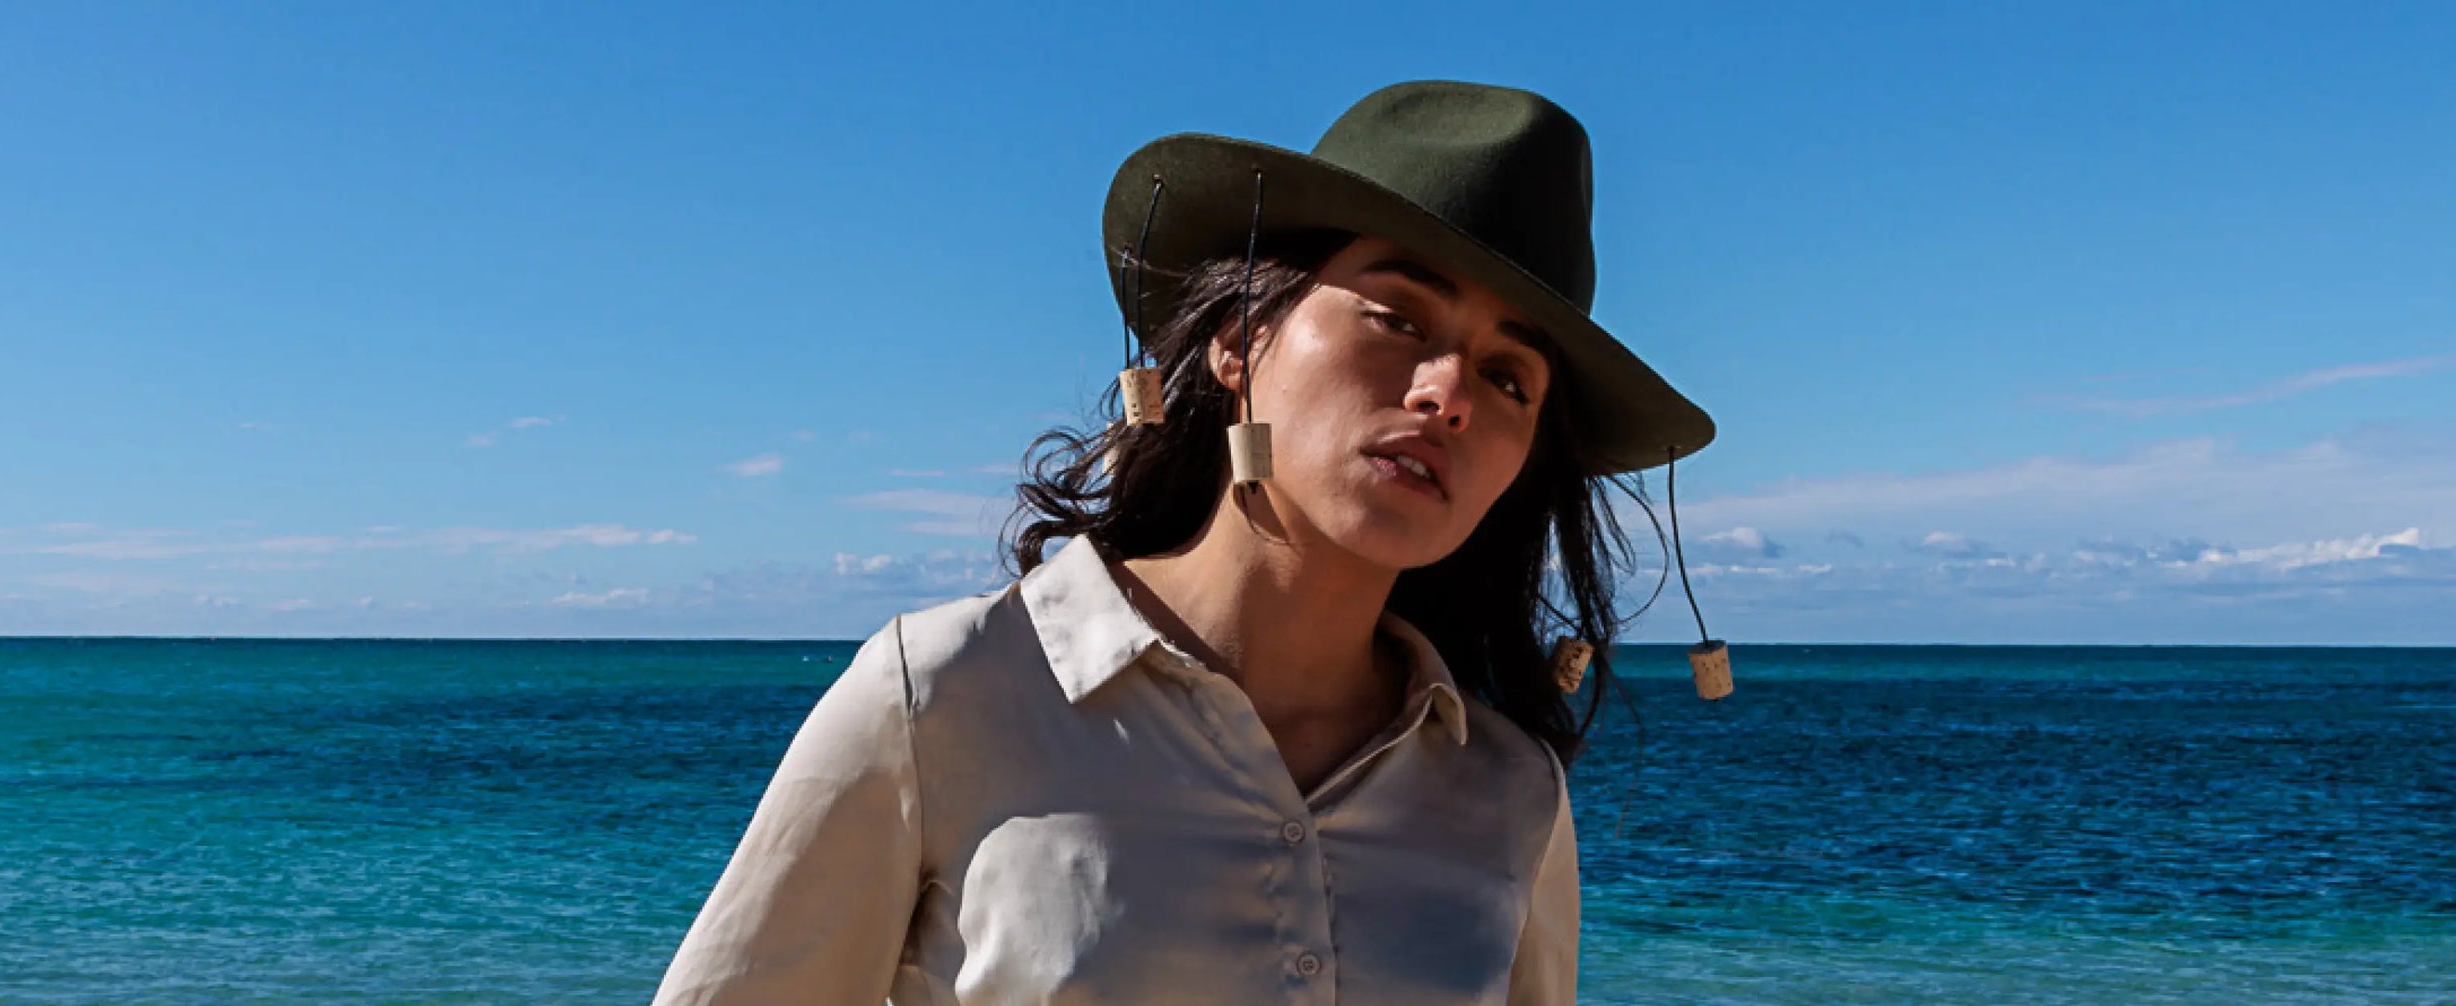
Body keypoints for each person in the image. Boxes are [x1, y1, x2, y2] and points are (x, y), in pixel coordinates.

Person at [652, 81, 1717, 1006]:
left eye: (1507, 377)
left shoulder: (1511, 792)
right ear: (1238, 340)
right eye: (1396, 317)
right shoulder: (945, 694)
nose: (1447, 396)